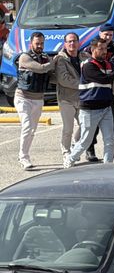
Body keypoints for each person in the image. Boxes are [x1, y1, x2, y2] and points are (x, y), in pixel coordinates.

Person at [64, 38, 114, 168]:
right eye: (101, 49)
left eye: (105, 48)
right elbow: (104, 79)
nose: (104, 51)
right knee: (86, 141)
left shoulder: (108, 64)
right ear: (93, 49)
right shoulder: (88, 65)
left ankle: (108, 166)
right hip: (89, 109)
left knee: (110, 140)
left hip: (105, 107)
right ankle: (70, 159)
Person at [14, 31, 54, 170]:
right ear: (31, 43)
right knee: (27, 126)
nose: (40, 46)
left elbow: (51, 73)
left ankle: (23, 154)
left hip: (38, 99)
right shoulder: (24, 57)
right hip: (23, 98)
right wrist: (56, 60)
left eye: (42, 43)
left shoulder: (45, 57)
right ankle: (23, 157)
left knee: (32, 130)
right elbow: (41, 69)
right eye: (37, 43)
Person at [55, 33, 82, 161]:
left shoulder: (84, 57)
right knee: (68, 129)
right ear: (65, 44)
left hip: (82, 98)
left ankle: (76, 146)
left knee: (86, 126)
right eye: (69, 41)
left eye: (74, 41)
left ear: (78, 42)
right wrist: (84, 85)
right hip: (66, 99)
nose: (72, 44)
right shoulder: (60, 59)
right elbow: (64, 79)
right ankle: (66, 151)